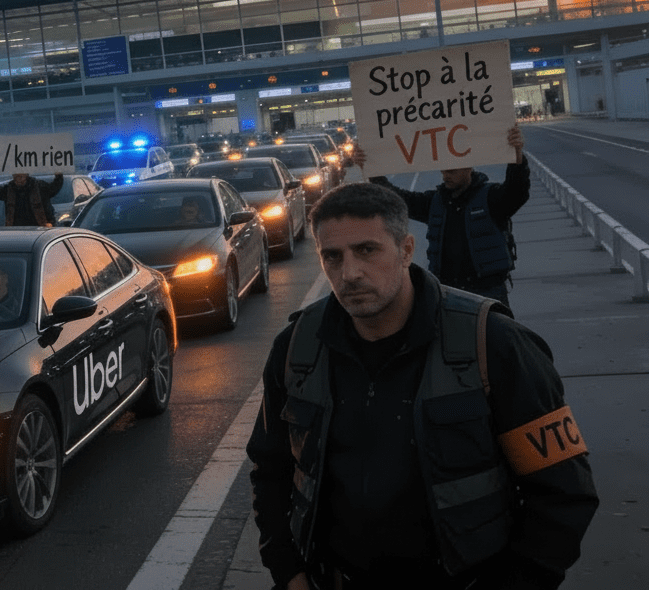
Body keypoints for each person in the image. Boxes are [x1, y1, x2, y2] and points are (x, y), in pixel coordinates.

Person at [247, 182, 597, 590]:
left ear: (406, 250)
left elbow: (562, 491)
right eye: (332, 256)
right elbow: (270, 471)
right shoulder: (296, 349)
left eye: (367, 250)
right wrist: (288, 572)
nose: (350, 273)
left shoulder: (494, 344)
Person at [353, 125, 529, 306]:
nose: (445, 176)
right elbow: (395, 199)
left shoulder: (491, 199)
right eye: (443, 171)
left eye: (451, 171)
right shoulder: (435, 203)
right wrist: (370, 168)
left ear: (468, 167)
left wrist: (517, 156)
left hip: (488, 295)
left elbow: (517, 190)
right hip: (448, 294)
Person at [0, 172, 64, 227]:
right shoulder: (9, 189)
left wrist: (59, 176)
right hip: (17, 230)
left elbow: (54, 188)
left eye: (20, 176)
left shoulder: (40, 187)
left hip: (40, 228)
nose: (18, 179)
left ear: (26, 175)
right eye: (16, 176)